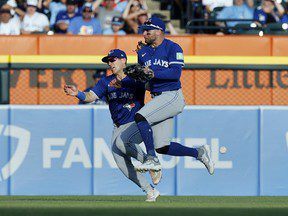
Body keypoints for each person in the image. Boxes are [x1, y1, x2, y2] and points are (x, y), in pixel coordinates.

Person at [64, 49, 160, 202]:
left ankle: (151, 161)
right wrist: (78, 94)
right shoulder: (106, 81)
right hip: (118, 125)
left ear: (123, 60)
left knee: (122, 143)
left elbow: (151, 85)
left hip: (136, 121)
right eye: (108, 61)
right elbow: (90, 96)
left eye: (113, 59)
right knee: (120, 161)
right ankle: (150, 191)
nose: (110, 63)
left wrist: (147, 74)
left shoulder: (135, 78)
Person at [124, 16, 214, 174]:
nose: (144, 34)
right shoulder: (143, 51)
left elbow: (175, 73)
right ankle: (199, 153)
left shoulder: (173, 47)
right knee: (162, 147)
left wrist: (151, 73)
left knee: (141, 117)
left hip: (172, 95)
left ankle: (151, 158)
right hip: (157, 97)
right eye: (143, 31)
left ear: (159, 31)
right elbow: (145, 77)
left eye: (148, 31)